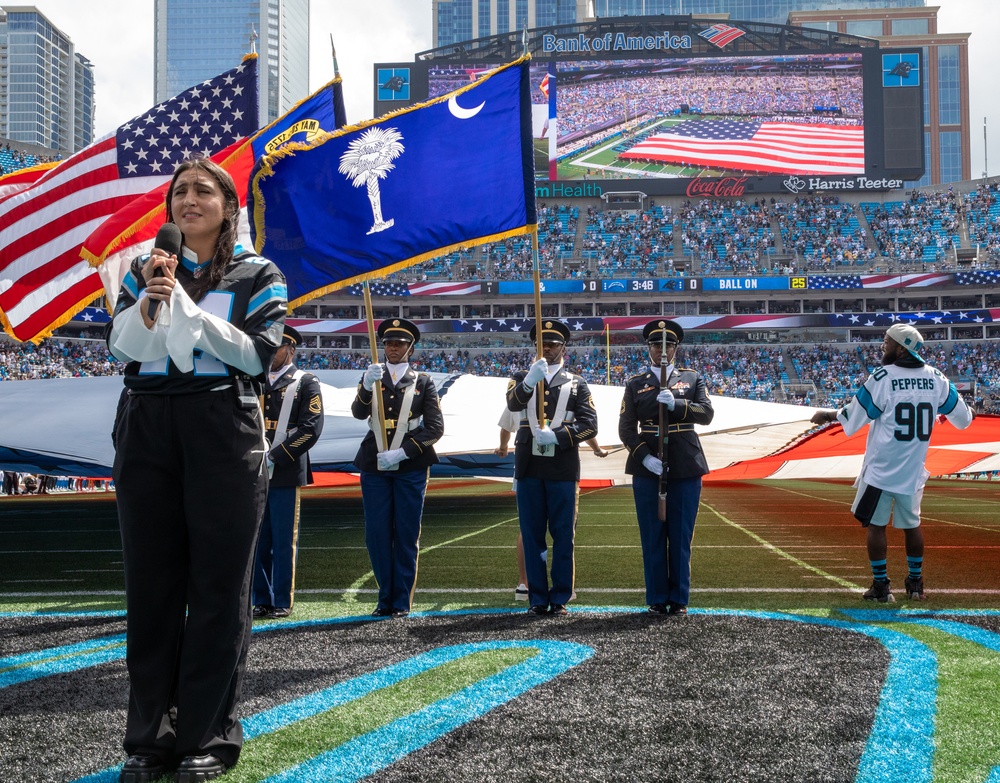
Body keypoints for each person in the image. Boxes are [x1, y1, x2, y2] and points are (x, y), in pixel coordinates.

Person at [106, 157, 287, 783]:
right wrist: (154, 301)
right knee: (151, 587)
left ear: (227, 205)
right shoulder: (142, 268)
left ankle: (207, 736)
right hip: (147, 422)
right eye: (179, 190)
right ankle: (148, 737)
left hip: (221, 426)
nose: (188, 199)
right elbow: (125, 348)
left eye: (202, 190)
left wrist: (183, 304)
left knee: (217, 587)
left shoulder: (260, 273)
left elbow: (255, 355)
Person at [810, 323, 973, 603]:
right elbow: (964, 419)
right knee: (912, 526)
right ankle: (916, 585)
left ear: (901, 348)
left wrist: (827, 415)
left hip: (882, 468)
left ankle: (881, 586)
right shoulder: (937, 378)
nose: (882, 347)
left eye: (887, 342)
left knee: (876, 526)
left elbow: (854, 417)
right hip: (913, 469)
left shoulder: (883, 377)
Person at [618, 320, 714, 616]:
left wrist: (678, 405)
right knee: (653, 534)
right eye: (657, 345)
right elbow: (625, 428)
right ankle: (657, 597)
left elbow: (707, 414)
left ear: (676, 348)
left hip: (685, 463)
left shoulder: (692, 378)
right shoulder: (636, 383)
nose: (662, 350)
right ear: (648, 348)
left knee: (681, 534)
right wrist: (644, 456)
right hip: (648, 467)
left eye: (668, 345)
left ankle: (680, 598)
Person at [351, 317, 443, 618]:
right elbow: (358, 412)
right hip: (374, 463)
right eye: (389, 343)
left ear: (410, 348)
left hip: (411, 466)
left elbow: (435, 429)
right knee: (376, 533)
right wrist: (366, 386)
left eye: (400, 344)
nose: (393, 348)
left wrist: (403, 453)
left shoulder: (424, 383)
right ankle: (384, 596)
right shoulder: (372, 377)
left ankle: (401, 600)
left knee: (405, 533)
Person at [506, 320, 598, 616]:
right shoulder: (520, 377)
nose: (547, 348)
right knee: (531, 534)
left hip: (562, 466)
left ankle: (559, 596)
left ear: (563, 348)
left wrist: (558, 436)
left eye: (553, 344)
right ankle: (536, 597)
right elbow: (511, 403)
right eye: (542, 344)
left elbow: (589, 425)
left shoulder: (577, 383)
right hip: (529, 466)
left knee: (563, 533)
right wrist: (530, 381)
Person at [495, 409, 607, 601]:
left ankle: (524, 583)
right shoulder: (563, 392)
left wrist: (503, 447)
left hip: (527, 464)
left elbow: (506, 427)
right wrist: (597, 449)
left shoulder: (520, 394)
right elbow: (583, 428)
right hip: (558, 466)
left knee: (529, 530)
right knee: (563, 530)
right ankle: (564, 588)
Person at [252, 325, 324, 620]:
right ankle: (260, 597)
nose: (272, 352)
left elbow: (311, 428)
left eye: (278, 346)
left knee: (283, 539)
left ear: (291, 350)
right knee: (256, 539)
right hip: (253, 469)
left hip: (284, 469)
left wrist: (277, 456)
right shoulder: (254, 379)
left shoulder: (306, 382)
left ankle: (281, 598)